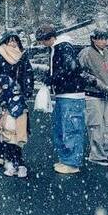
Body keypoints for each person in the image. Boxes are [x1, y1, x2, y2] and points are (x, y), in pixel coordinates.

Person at [36, 23, 92, 174]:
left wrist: (53, 78)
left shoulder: (63, 47)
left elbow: (70, 67)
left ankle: (72, 162)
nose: (42, 44)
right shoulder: (58, 48)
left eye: (42, 40)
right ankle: (66, 160)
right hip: (65, 94)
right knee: (63, 127)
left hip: (71, 94)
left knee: (71, 128)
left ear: (49, 38)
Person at [0, 32, 34, 178]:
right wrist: (2, 83)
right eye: (10, 41)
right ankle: (0, 154)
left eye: (15, 41)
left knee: (16, 128)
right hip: (1, 97)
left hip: (18, 99)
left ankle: (14, 159)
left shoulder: (22, 57)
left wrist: (26, 90)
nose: (13, 43)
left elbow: (28, 75)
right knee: (1, 125)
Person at [79, 29, 108, 167]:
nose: (104, 42)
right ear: (93, 39)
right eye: (101, 39)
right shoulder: (86, 53)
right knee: (96, 126)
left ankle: (103, 152)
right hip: (92, 95)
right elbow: (79, 72)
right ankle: (97, 155)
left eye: (105, 39)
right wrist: (94, 82)